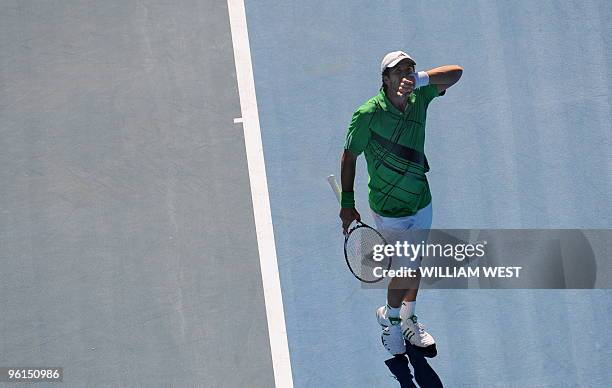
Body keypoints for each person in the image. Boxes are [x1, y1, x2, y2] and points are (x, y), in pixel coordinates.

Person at [339, 51, 462, 356]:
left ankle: (407, 317)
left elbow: (456, 73)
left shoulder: (420, 98)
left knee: (414, 264)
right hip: (389, 209)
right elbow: (349, 156)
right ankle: (392, 323)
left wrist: (419, 81)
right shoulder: (367, 114)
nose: (404, 75)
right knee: (405, 269)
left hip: (421, 201)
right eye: (397, 72)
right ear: (384, 78)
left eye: (410, 70)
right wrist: (347, 202)